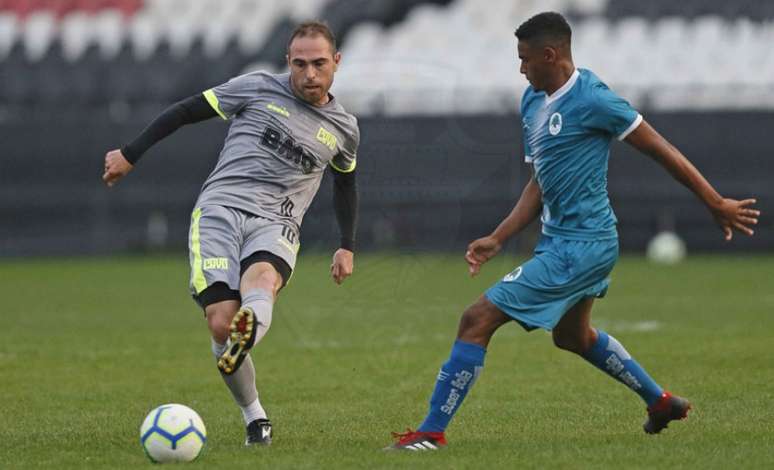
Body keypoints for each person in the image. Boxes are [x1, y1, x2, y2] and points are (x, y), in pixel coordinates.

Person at [387, 11, 760, 451]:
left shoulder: (594, 100)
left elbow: (662, 150)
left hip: (584, 245)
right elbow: (539, 182)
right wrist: (500, 236)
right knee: (572, 336)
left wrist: (714, 201)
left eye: (525, 59)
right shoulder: (532, 101)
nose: (520, 68)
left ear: (551, 54)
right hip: (564, 242)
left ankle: (430, 433)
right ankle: (659, 402)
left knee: (476, 319)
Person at [102, 21, 360, 446]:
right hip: (220, 209)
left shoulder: (345, 128)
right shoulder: (257, 87)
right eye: (299, 64)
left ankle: (250, 330)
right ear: (287, 62)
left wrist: (346, 246)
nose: (309, 74)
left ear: (336, 62)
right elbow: (186, 110)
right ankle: (254, 412)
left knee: (262, 281)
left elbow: (346, 182)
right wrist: (131, 153)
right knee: (221, 323)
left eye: (318, 64)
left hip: (277, 221)